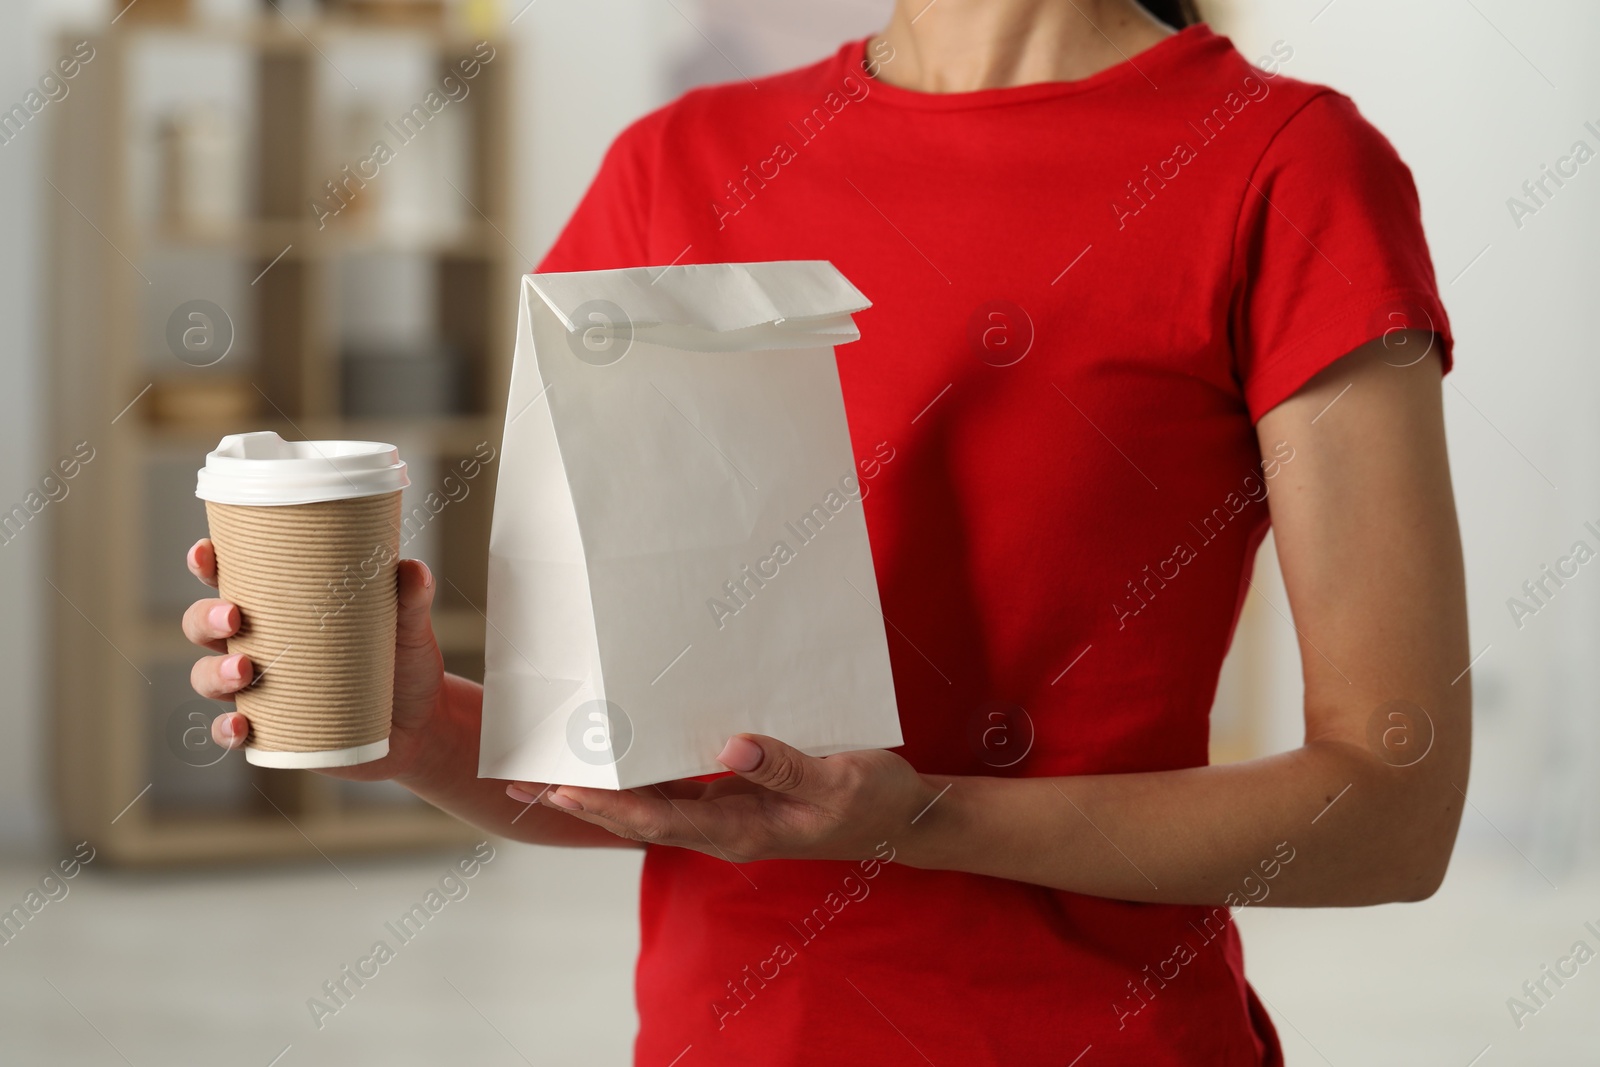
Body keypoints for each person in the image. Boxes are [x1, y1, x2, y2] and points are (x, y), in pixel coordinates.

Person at [182, 0, 1470, 1062]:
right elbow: (644, 775)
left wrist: (922, 822)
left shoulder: (1284, 166)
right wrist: (418, 729)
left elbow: (1392, 812)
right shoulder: (677, 164)